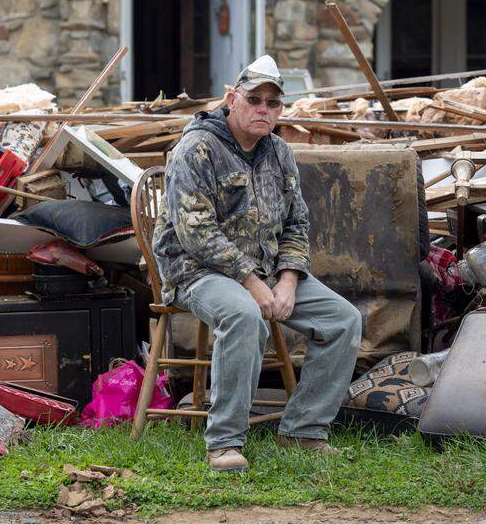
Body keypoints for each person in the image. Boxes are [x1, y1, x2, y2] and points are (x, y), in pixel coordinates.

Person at [152, 55, 363, 473]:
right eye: (255, 99)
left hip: (266, 271)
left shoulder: (279, 152)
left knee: (344, 320)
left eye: (273, 103)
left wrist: (287, 280)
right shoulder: (196, 149)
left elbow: (297, 222)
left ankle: (303, 429)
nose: (264, 109)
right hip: (196, 271)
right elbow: (197, 234)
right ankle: (225, 442)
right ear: (232, 99)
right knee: (246, 316)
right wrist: (251, 283)